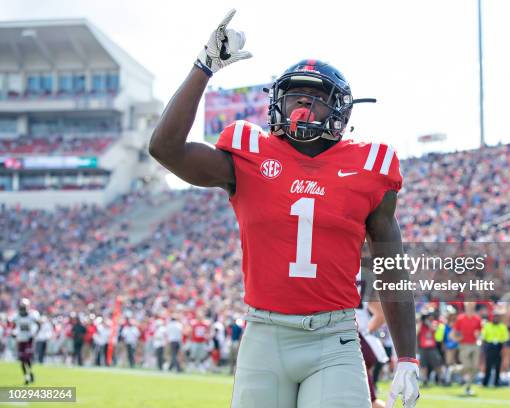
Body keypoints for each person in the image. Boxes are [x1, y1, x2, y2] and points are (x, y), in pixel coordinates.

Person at [149, 9, 419, 408]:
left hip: (334, 337)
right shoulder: (248, 152)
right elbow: (164, 148)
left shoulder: (369, 166)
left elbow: (391, 266)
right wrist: (204, 66)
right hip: (265, 333)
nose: (303, 107)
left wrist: (407, 356)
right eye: (295, 96)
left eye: (316, 99)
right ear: (277, 101)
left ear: (341, 110)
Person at [452, 302, 481, 395]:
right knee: (468, 366)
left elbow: (480, 331)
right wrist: (457, 339)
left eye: (471, 307)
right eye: (468, 307)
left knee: (475, 367)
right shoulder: (460, 318)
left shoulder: (477, 318)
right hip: (464, 345)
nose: (470, 308)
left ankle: (468, 387)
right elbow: (453, 333)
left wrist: (478, 335)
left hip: (474, 344)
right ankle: (454, 370)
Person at [12, 298, 38, 385]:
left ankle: (30, 373)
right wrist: (14, 333)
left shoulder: (32, 315)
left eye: (24, 306)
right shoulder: (17, 316)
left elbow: (38, 324)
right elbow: (13, 326)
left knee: (28, 359)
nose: (23, 309)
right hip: (20, 339)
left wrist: (34, 334)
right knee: (22, 360)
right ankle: (27, 376)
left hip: (28, 339)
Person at [481, 310, 509, 387]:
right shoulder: (487, 325)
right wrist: (483, 349)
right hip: (490, 346)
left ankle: (496, 382)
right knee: (488, 365)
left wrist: (503, 350)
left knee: (498, 366)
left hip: (498, 347)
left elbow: (505, 339)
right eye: (494, 317)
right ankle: (485, 382)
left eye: (497, 317)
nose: (495, 318)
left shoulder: (502, 327)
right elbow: (483, 338)